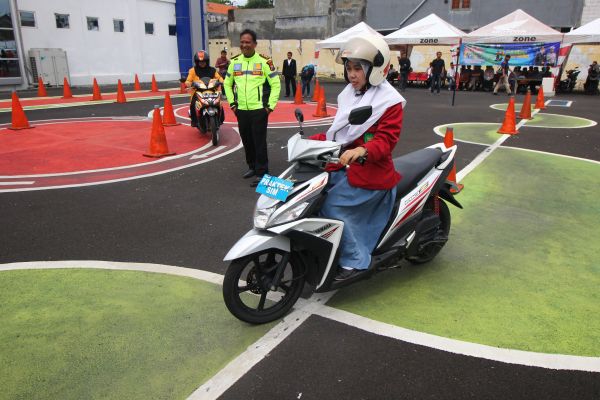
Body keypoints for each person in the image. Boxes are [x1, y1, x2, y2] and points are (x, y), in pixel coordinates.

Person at [308, 34, 406, 281]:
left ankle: (354, 260)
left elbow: (386, 140)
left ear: (374, 70)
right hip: (344, 166)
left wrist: (362, 150)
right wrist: (310, 142)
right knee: (310, 193)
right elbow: (339, 133)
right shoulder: (350, 95)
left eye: (358, 69)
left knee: (331, 205)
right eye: (349, 68)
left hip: (372, 172)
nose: (352, 75)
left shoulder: (389, 101)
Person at [224, 29, 280, 187]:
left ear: (254, 44)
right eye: (242, 42)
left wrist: (270, 107)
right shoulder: (234, 62)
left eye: (248, 42)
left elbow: (276, 84)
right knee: (247, 141)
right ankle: (252, 167)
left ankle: (262, 172)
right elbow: (227, 84)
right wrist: (233, 104)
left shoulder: (265, 61)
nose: (244, 45)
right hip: (241, 110)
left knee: (259, 142)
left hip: (258, 110)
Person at [185, 50, 223, 129]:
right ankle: (194, 121)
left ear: (207, 61)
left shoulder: (212, 70)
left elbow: (219, 78)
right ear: (196, 62)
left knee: (219, 103)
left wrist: (222, 81)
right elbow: (188, 81)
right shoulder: (192, 70)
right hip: (197, 91)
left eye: (204, 61)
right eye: (199, 62)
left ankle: (220, 119)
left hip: (212, 90)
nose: (202, 63)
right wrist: (190, 83)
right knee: (192, 104)